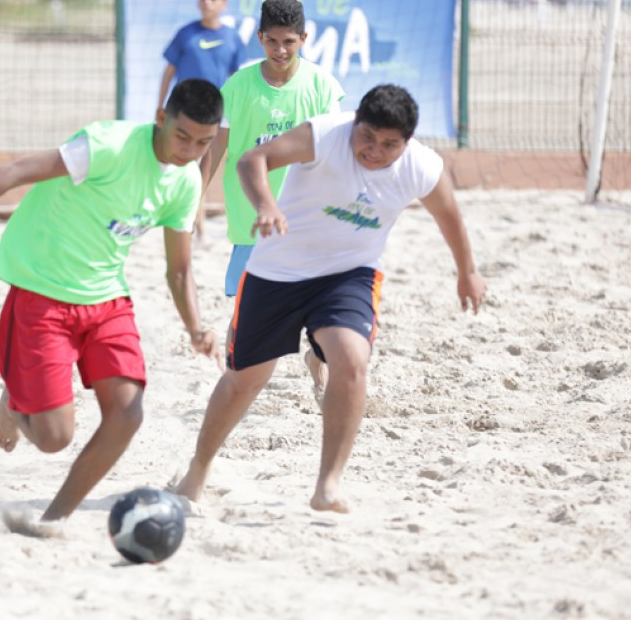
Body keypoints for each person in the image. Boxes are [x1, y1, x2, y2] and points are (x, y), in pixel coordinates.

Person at [0, 79, 225, 524]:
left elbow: (179, 268)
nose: (189, 151)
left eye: (203, 143)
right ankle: (15, 402)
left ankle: (53, 521)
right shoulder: (109, 144)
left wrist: (195, 327)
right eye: (182, 136)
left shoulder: (184, 181)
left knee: (127, 414)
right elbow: (16, 172)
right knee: (53, 438)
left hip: (107, 301)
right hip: (42, 294)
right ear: (161, 119)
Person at [175, 84, 487, 514]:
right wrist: (266, 204)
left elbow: (449, 213)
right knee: (244, 380)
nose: (374, 150)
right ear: (356, 121)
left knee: (352, 358)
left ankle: (328, 484)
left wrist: (467, 271)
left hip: (348, 275)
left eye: (389, 144)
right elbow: (253, 159)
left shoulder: (421, 166)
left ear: (407, 142)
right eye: (367, 137)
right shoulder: (326, 133)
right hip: (277, 270)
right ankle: (199, 468)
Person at [198, 0, 344, 383]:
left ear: (304, 38)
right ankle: (234, 382)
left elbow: (333, 148)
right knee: (248, 311)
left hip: (307, 214)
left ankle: (316, 358)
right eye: (272, 40)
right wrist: (193, 196)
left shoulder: (323, 86)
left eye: (289, 42)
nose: (280, 50)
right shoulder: (238, 86)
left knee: (318, 302)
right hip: (252, 219)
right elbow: (216, 145)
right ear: (260, 37)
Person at [156, 0, 245, 117]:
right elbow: (168, 72)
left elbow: (236, 78)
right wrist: (160, 106)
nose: (206, 2)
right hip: (184, 107)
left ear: (224, 4)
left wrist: (238, 109)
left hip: (215, 109)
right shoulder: (185, 33)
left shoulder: (232, 37)